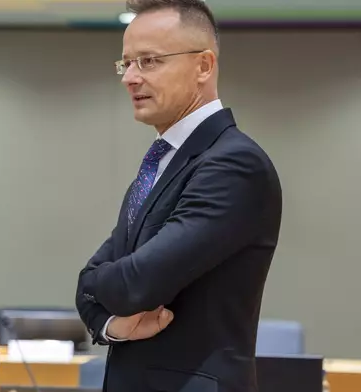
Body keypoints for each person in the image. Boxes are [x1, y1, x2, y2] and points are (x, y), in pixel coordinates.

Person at [75, 0, 282, 391]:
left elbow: (137, 284)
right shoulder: (160, 163)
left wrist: (96, 282)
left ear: (203, 66)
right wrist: (113, 321)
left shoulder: (233, 164)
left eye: (149, 61)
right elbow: (94, 284)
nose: (130, 78)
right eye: (127, 63)